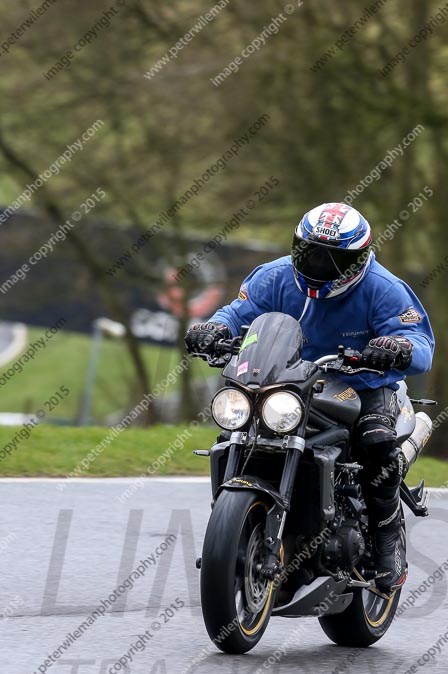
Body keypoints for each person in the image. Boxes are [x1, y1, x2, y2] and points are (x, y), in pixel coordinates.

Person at [185, 203, 435, 593]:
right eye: (310, 253)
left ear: (358, 260)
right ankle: (236, 531)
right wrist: (213, 328)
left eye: (331, 258)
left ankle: (386, 544)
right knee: (233, 432)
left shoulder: (383, 289)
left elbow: (421, 343)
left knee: (376, 442)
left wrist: (396, 346)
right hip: (287, 381)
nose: (318, 265)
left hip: (363, 385)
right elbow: (236, 313)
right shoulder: (274, 277)